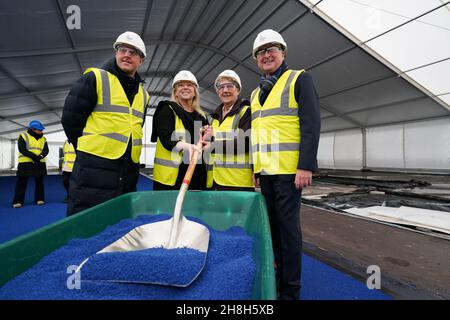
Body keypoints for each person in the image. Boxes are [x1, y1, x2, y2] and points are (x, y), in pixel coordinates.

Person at [250, 29, 321, 300]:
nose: (266, 55)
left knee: (289, 231)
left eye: (272, 49)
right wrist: (257, 169)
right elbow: (258, 134)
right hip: (267, 172)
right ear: (256, 60)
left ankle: (291, 291)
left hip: (290, 173)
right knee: (274, 231)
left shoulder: (299, 79)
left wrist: (305, 166)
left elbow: (311, 124)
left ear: (283, 53)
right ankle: (278, 281)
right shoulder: (256, 94)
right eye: (261, 52)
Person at [61, 31, 150, 216]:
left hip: (128, 168)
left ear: (141, 60)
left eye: (133, 52)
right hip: (93, 167)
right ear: (116, 53)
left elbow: (135, 127)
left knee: (120, 219)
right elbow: (70, 119)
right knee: (87, 218)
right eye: (122, 50)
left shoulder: (144, 94)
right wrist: (90, 149)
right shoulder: (95, 78)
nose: (127, 55)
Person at [151, 70, 209, 190]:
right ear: (175, 92)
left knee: (193, 208)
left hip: (196, 175)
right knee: (169, 208)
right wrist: (187, 146)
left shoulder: (201, 115)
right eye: (181, 85)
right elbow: (166, 139)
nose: (185, 88)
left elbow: (207, 142)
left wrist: (209, 134)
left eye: (189, 85)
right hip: (171, 178)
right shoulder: (167, 109)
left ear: (195, 92)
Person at [206, 70, 254, 191]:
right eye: (221, 87)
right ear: (218, 92)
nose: (225, 90)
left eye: (230, 86)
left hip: (238, 183)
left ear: (238, 90)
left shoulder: (246, 112)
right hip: (215, 182)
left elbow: (245, 143)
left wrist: (212, 146)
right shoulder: (214, 118)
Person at [12, 120, 49, 208]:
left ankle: (39, 199)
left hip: (39, 163)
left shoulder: (44, 138)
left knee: (40, 182)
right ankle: (18, 201)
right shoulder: (23, 136)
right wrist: (35, 157)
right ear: (33, 129)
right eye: (39, 130)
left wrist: (40, 156)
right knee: (22, 182)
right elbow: (22, 149)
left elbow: (46, 150)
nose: (41, 131)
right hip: (25, 163)